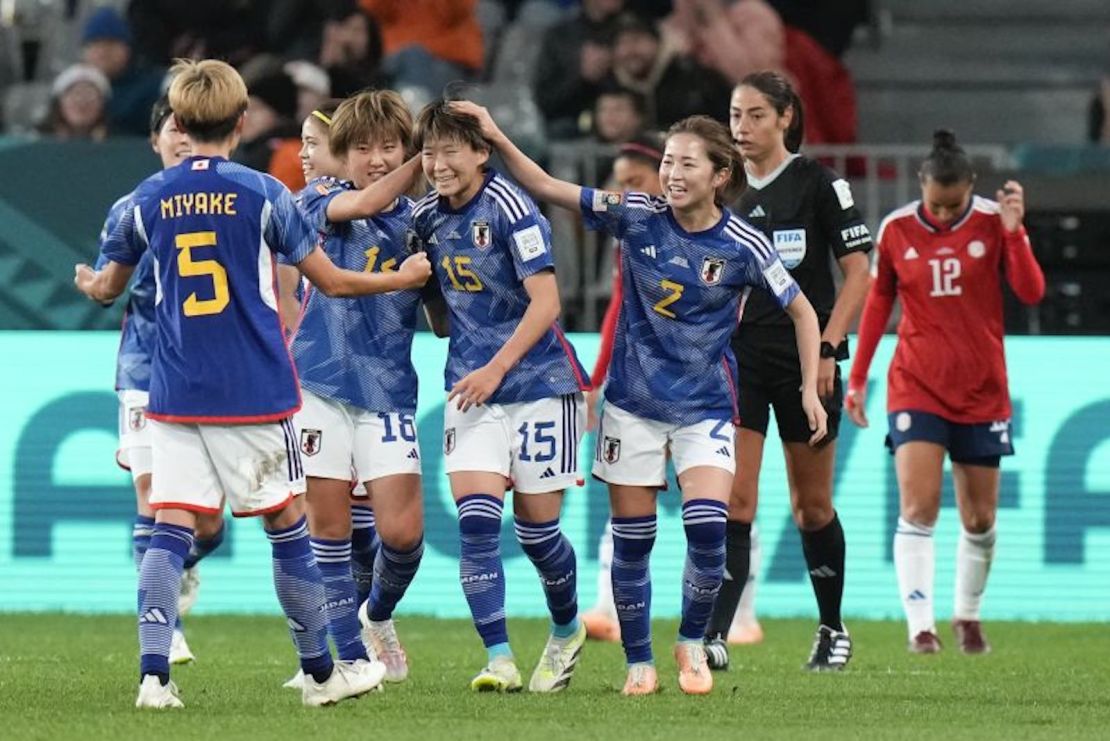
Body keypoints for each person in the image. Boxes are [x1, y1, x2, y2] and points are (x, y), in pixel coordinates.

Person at [74, 58, 431, 709]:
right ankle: (323, 672)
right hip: (254, 389)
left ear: (178, 122)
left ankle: (155, 677)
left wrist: (90, 281)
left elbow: (106, 287)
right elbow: (332, 281)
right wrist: (400, 281)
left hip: (174, 390)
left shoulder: (146, 199)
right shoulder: (264, 192)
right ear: (242, 122)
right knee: (287, 525)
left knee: (170, 525)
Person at [453, 99, 827, 696]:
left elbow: (803, 311)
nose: (673, 175)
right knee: (635, 540)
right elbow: (549, 185)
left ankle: (692, 643)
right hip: (632, 406)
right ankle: (638, 662)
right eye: (669, 163)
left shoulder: (744, 244)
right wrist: (495, 135)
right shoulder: (635, 214)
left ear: (720, 175)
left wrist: (810, 387)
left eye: (688, 165)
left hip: (705, 407)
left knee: (708, 528)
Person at [410, 100, 591, 693]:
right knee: (478, 523)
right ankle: (499, 658)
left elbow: (548, 303)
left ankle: (566, 630)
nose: (437, 164)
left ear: (481, 152)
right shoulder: (426, 218)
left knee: (537, 535)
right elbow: (440, 317)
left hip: (539, 384)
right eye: (429, 151)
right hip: (472, 389)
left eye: (449, 150)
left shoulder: (512, 207)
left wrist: (496, 367)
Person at [846, 130, 1045, 655]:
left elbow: (1030, 292)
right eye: (935, 202)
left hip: (981, 388)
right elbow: (876, 305)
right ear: (921, 186)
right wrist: (859, 377)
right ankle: (921, 628)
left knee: (980, 518)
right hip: (916, 385)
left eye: (953, 203)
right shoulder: (895, 230)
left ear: (970, 188)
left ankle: (968, 616)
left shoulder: (991, 222)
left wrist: (1015, 233)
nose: (942, 211)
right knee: (919, 506)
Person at [702, 71, 873, 673]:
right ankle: (716, 635)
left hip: (807, 364)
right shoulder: (722, 191)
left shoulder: (822, 186)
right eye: (734, 115)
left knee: (811, 507)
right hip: (740, 360)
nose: (741, 128)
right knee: (736, 499)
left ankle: (831, 628)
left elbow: (859, 274)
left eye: (753, 115)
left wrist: (828, 348)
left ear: (785, 119)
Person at [279, 90, 430, 688]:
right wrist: (431, 154)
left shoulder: (424, 222)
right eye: (362, 147)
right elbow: (368, 200)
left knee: (402, 534)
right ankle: (345, 657)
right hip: (318, 382)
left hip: (388, 386)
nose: (376, 158)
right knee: (330, 529)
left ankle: (377, 618)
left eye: (390, 146)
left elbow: (441, 310)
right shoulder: (319, 196)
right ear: (341, 154)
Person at [97, 95, 227, 667]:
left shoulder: (231, 202)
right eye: (169, 129)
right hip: (146, 367)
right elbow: (110, 282)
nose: (179, 137)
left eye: (186, 127)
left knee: (210, 523)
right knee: (153, 497)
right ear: (155, 142)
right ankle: (163, 628)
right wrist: (95, 283)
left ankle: (185, 565)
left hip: (217, 371)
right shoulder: (134, 206)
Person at [79, 6, 164, 136]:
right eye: (96, 44)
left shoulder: (153, 87)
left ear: (128, 49)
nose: (103, 52)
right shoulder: (73, 88)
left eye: (111, 44)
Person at [38, 63, 110, 140]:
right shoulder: (37, 137)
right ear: (59, 104)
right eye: (75, 95)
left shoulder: (118, 137)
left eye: (90, 96)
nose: (82, 103)